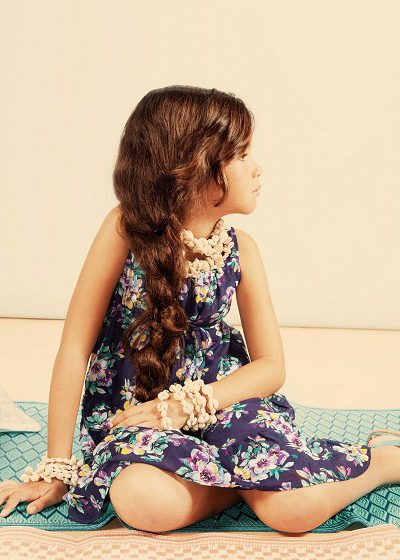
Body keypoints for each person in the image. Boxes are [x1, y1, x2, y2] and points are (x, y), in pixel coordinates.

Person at [1, 85, 399, 535]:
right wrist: (57, 465)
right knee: (140, 501)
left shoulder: (242, 250)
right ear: (194, 167)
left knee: (293, 513)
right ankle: (247, 482)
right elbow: (75, 346)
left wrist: (192, 404)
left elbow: (271, 367)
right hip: (140, 414)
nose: (257, 168)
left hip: (223, 402)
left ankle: (383, 461)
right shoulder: (123, 230)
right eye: (242, 155)